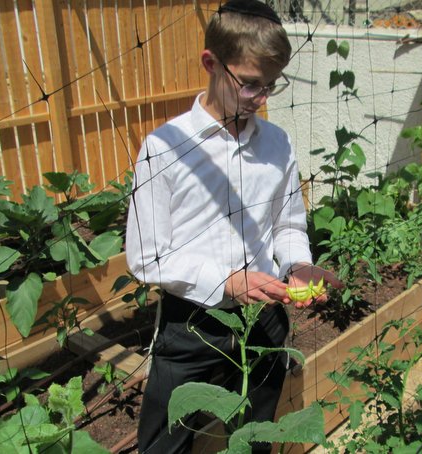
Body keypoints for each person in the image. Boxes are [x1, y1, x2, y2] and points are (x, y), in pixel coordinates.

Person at [125, 1, 341, 452]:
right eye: (249, 85)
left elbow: (286, 223)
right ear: (211, 63)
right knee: (162, 444)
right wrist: (225, 281)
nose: (261, 99)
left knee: (253, 438)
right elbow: (145, 256)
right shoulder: (164, 148)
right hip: (191, 323)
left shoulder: (276, 143)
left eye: (270, 87)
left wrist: (298, 263)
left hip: (263, 319)